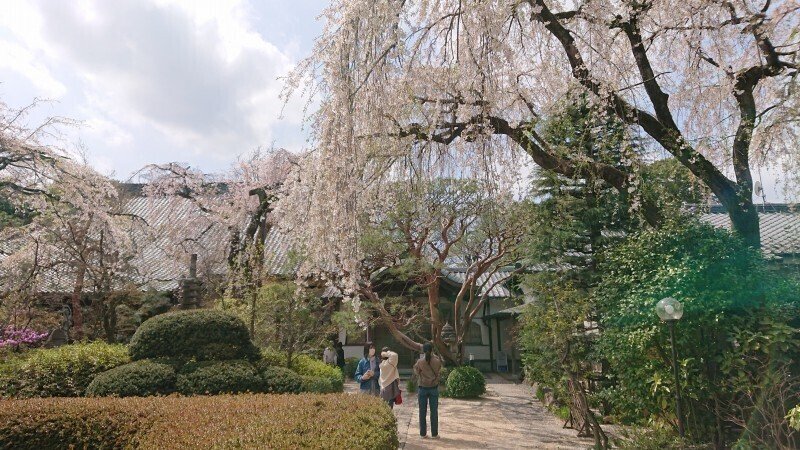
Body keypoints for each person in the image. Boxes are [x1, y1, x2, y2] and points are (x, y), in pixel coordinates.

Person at [413, 342, 442, 439]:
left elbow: (416, 372)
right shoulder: (437, 361)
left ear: (423, 351)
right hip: (433, 388)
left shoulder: (420, 361)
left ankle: (423, 434)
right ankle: (434, 434)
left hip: (423, 388)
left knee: (422, 411)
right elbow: (438, 373)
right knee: (434, 411)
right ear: (432, 350)